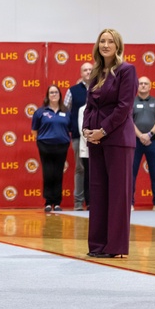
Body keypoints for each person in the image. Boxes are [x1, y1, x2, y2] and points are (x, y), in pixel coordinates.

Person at [82, 29, 136, 258]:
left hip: (117, 139)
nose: (105, 45)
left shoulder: (127, 70)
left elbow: (124, 107)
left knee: (118, 194)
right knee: (98, 191)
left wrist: (102, 131)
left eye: (110, 41)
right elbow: (89, 105)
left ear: (118, 46)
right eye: (102, 41)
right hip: (95, 139)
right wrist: (86, 129)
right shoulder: (95, 72)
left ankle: (116, 247)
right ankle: (97, 245)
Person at [32, 85, 71, 212]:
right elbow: (34, 130)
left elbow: (70, 128)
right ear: (48, 95)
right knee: (48, 173)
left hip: (62, 146)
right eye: (51, 92)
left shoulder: (66, 112)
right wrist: (40, 141)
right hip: (45, 146)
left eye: (56, 92)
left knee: (58, 173)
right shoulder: (40, 112)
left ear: (60, 95)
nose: (54, 94)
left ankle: (57, 203)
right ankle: (48, 202)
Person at [131, 77, 155, 210]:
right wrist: (140, 136)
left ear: (150, 86)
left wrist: (149, 134)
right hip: (135, 141)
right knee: (131, 173)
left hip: (153, 141)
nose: (143, 86)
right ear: (137, 86)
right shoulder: (131, 102)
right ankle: (130, 203)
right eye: (141, 83)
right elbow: (129, 121)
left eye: (146, 84)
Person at [64, 62, 92, 210]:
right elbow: (66, 111)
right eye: (85, 70)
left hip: (98, 137)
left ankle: (93, 202)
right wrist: (73, 128)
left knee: (95, 169)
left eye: (90, 70)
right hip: (78, 136)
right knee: (80, 168)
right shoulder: (73, 91)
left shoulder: (100, 88)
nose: (88, 72)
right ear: (81, 73)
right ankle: (78, 202)